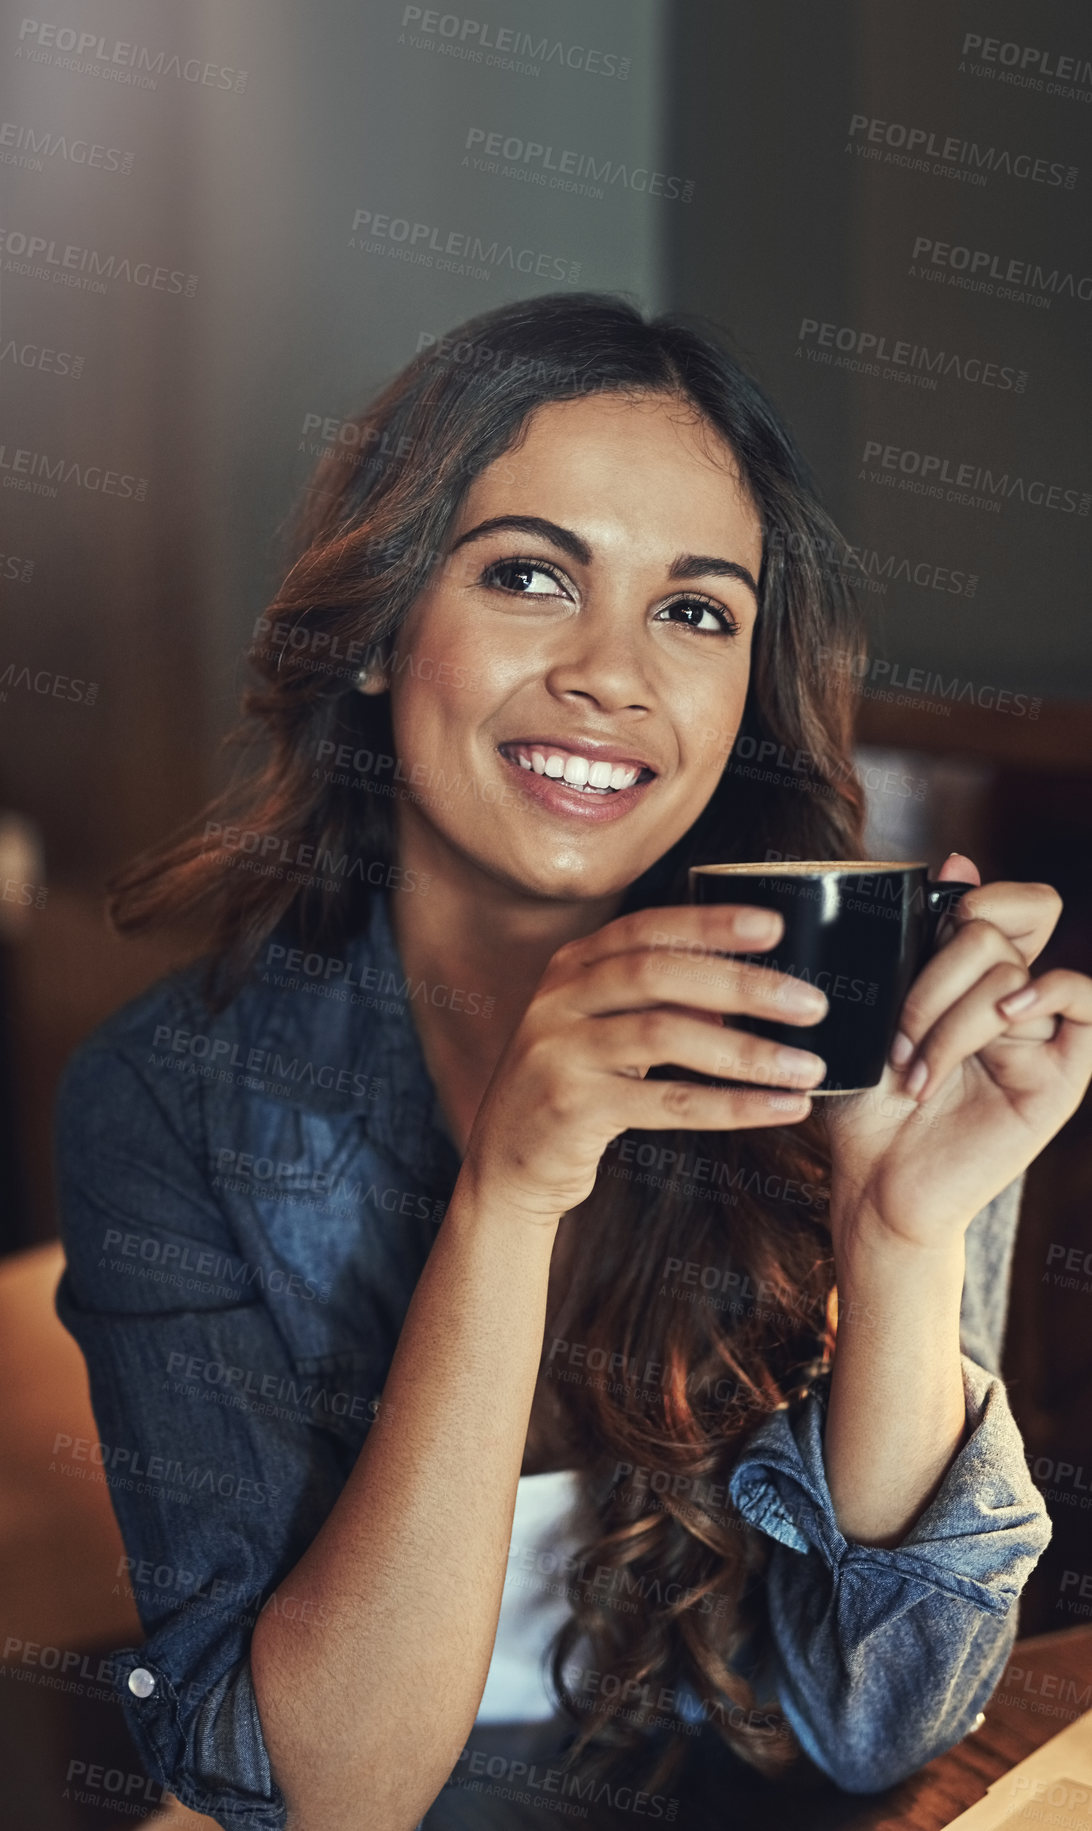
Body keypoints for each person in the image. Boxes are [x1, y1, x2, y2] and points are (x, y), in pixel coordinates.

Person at [52, 292, 1090, 1831]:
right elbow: (319, 1795)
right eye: (532, 575)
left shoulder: (852, 1024)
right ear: (375, 632)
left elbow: (869, 1728)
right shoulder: (171, 1099)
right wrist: (510, 1195)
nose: (616, 674)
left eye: (695, 610)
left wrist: (903, 1239)